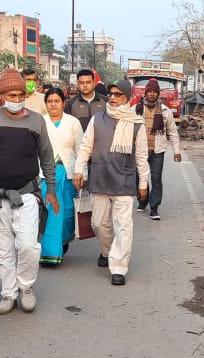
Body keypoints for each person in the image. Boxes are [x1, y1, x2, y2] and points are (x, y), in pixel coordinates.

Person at [0, 68, 59, 314]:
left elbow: (46, 157)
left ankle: (25, 288)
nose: (16, 99)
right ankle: (8, 293)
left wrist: (51, 190)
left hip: (27, 194)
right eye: (11, 95)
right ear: (2, 95)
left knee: (27, 246)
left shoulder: (36, 121)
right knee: (1, 250)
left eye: (19, 95)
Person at [72, 79, 150, 286]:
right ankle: (107, 252)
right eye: (111, 94)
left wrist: (143, 182)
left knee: (123, 225)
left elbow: (141, 156)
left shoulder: (136, 124)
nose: (113, 98)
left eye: (118, 94)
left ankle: (118, 267)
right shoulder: (97, 119)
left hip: (124, 180)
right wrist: (79, 170)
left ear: (127, 97)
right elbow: (85, 147)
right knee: (99, 223)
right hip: (99, 178)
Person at [39, 87, 83, 266]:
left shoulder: (73, 123)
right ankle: (49, 254)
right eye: (50, 101)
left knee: (67, 214)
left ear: (63, 103)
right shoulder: (39, 122)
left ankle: (63, 241)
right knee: (50, 213)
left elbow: (81, 149)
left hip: (68, 174)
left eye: (57, 101)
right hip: (45, 175)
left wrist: (82, 173)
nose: (53, 105)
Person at [134, 78, 182, 220]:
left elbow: (172, 132)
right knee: (138, 178)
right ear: (146, 92)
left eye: (155, 92)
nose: (152, 94)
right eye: (150, 91)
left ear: (158, 94)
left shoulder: (166, 111)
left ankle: (154, 208)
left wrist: (177, 151)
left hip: (157, 151)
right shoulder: (135, 109)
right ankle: (143, 201)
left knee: (156, 179)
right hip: (139, 151)